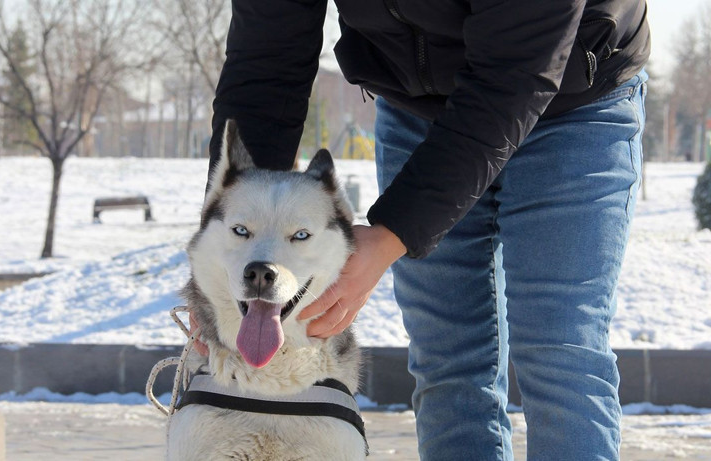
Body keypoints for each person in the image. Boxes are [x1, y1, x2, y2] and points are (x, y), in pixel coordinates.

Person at [191, 1, 651, 459]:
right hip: (420, 109)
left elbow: (513, 73)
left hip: (572, 98)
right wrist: (236, 240)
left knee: (559, 351)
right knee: (449, 359)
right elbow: (268, 60)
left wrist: (393, 234)